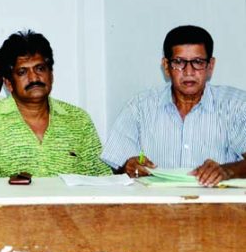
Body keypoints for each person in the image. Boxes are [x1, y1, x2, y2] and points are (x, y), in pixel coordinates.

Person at [101, 25, 246, 186]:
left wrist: (228, 170)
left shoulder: (236, 106)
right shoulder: (140, 107)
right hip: (156, 207)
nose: (189, 72)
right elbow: (117, 166)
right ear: (166, 66)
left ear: (210, 66)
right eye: (179, 62)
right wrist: (127, 167)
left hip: (219, 207)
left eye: (198, 62)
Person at [0, 30, 111, 177]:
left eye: (40, 68)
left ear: (51, 75)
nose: (34, 77)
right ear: (9, 83)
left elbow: (101, 178)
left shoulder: (78, 119)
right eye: (22, 72)